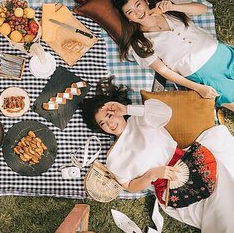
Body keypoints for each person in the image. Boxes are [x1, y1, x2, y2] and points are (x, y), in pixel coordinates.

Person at [82, 77, 234, 232]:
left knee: (224, 197)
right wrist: (151, 175)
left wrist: (127, 109)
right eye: (103, 123)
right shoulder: (113, 157)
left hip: (191, 162)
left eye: (109, 115)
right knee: (219, 213)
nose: (110, 124)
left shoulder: (139, 119)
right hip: (170, 187)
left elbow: (165, 111)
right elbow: (130, 186)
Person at [112, 0, 233, 111]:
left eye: (138, 4)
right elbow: (163, 71)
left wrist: (173, 7)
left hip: (220, 52)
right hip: (202, 73)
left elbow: (202, 9)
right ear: (128, 18)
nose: (137, 12)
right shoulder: (138, 42)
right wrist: (197, 87)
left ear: (146, 1)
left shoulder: (165, 4)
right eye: (130, 12)